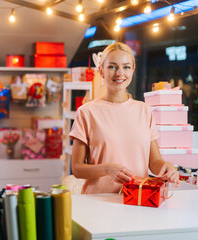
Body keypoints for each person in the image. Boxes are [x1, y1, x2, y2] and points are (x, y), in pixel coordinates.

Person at [69, 42, 180, 194]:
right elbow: (77, 169)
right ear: (101, 71)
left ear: (133, 70)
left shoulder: (144, 110)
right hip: (98, 202)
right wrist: (107, 169)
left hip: (139, 198)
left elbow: (154, 162)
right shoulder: (86, 112)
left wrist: (166, 166)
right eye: (112, 67)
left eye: (126, 67)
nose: (119, 73)